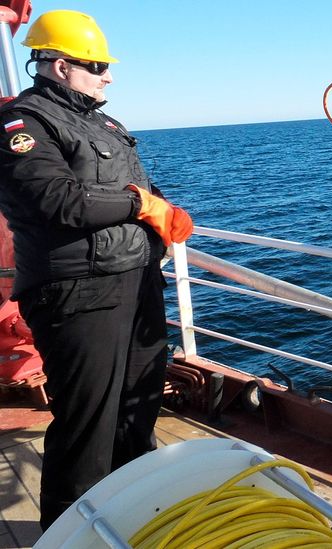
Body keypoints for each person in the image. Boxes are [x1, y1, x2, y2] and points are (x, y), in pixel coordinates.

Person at [0, 10, 193, 529]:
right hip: (78, 293)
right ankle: (70, 534)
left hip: (137, 281)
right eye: (99, 65)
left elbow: (134, 186)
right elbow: (58, 201)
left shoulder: (106, 124)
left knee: (139, 405)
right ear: (60, 65)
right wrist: (140, 207)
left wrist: (164, 212)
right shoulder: (22, 124)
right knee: (89, 424)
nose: (110, 76)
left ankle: (135, 518)